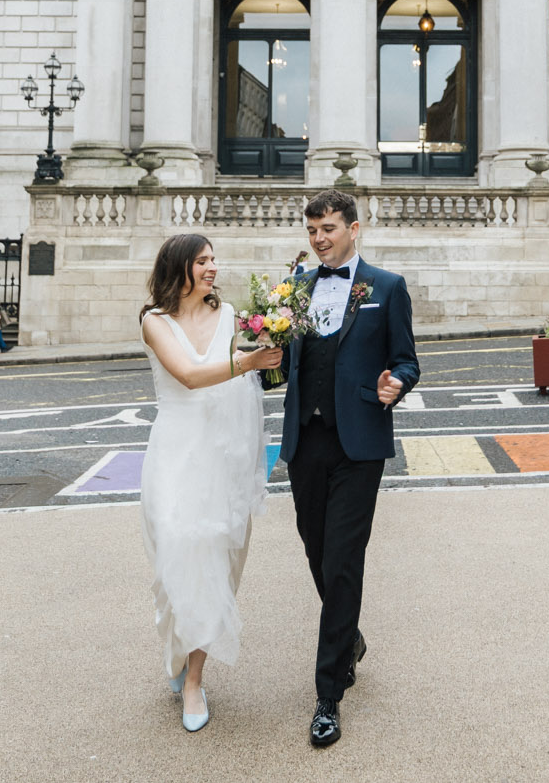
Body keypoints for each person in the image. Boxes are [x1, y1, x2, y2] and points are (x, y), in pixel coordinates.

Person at [280, 190, 420, 749]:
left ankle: (329, 692)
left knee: (342, 561)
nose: (319, 239)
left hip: (359, 443)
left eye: (329, 229)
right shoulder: (295, 288)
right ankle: (350, 638)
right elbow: (283, 365)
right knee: (316, 550)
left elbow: (406, 359)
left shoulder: (387, 288)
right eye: (312, 230)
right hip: (305, 442)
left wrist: (397, 383)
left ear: (354, 229)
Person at [138, 233, 284, 733]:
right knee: (177, 553)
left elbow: (245, 380)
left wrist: (270, 357)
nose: (212, 268)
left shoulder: (231, 316)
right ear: (178, 268)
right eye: (202, 261)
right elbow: (190, 376)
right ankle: (180, 649)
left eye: (213, 260)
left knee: (216, 561)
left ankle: (195, 678)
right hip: (177, 455)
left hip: (223, 455)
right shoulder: (153, 322)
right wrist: (247, 362)